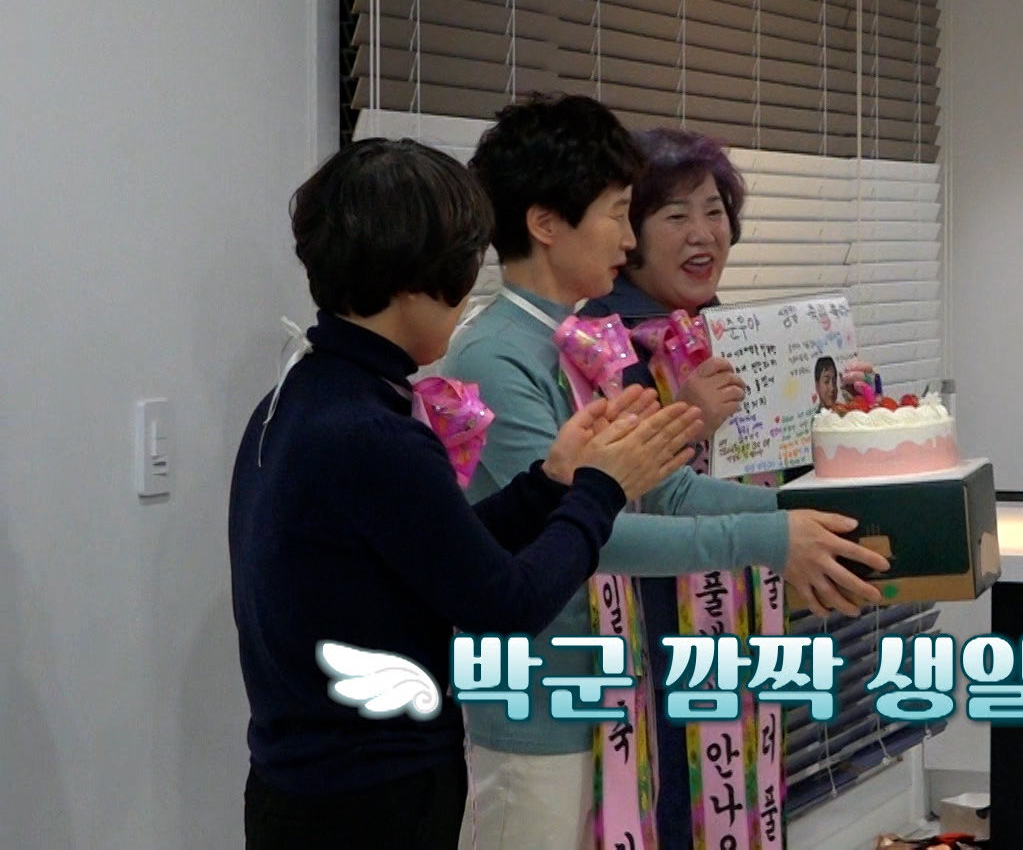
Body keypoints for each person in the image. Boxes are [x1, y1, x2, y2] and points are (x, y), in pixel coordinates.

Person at [229, 138, 701, 849]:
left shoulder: (299, 397)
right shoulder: (372, 432)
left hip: (300, 788)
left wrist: (550, 483)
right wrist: (602, 491)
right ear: (417, 277)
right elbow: (505, 604)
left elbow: (433, 551)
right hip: (371, 801)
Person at [445, 99, 887, 849]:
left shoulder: (579, 341)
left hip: (615, 691)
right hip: (542, 701)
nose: (628, 238)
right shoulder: (495, 354)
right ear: (546, 223)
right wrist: (772, 538)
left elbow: (660, 486)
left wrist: (798, 517)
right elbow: (592, 529)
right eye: (621, 214)